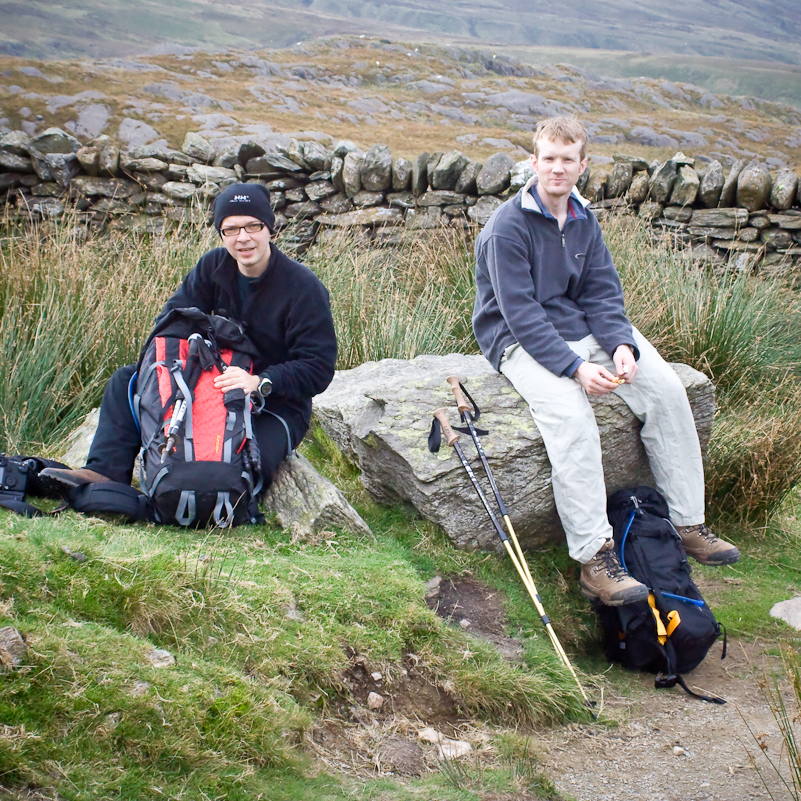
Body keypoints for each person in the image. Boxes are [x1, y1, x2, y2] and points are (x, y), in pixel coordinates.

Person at [472, 116, 739, 607]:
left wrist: (620, 345)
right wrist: (575, 369)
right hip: (517, 340)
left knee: (665, 389)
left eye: (567, 160)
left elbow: (601, 291)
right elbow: (521, 313)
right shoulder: (505, 229)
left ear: (582, 165)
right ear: (534, 162)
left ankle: (688, 523)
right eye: (548, 158)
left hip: (583, 327)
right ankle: (596, 559)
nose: (557, 168)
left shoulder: (583, 217)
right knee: (572, 417)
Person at [43, 182, 337, 496]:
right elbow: (172, 322)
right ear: (221, 234)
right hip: (210, 384)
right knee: (126, 380)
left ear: (269, 229)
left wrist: (259, 381)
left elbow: (317, 366)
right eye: (231, 229)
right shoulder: (213, 267)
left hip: (273, 403)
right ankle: (104, 472)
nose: (243, 238)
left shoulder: (303, 288)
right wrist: (175, 370)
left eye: (253, 226)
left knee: (240, 475)